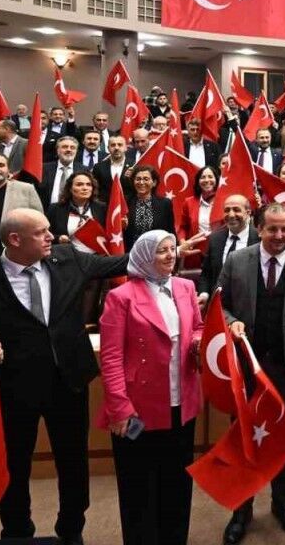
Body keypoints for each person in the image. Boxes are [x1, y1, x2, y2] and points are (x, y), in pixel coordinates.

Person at [0, 209, 129, 544]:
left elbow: (122, 263)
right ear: (15, 239)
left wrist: (166, 247)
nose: (51, 236)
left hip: (68, 383)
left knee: (73, 463)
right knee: (14, 466)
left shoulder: (70, 259)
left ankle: (71, 529)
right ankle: (17, 531)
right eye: (41, 232)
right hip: (14, 389)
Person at [220, 203, 285, 542]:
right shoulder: (237, 260)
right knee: (243, 441)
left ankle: (283, 504)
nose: (279, 235)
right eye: (272, 229)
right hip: (245, 370)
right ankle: (241, 510)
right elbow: (220, 305)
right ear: (259, 228)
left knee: (283, 441)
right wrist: (230, 321)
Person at [97, 231, 203, 545]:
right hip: (137, 410)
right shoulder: (121, 297)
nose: (171, 255)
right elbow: (111, 357)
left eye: (173, 249)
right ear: (144, 257)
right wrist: (119, 407)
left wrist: (198, 343)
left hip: (181, 403)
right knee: (138, 488)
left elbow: (197, 328)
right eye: (162, 251)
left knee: (177, 483)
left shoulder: (185, 287)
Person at [197, 194, 254, 297]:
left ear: (248, 213)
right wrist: (204, 294)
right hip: (219, 302)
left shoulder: (260, 239)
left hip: (249, 302)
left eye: (236, 210)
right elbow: (206, 274)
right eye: (227, 210)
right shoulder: (215, 239)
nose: (231, 215)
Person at [46, 172, 106, 251]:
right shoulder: (55, 209)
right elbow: (46, 233)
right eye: (79, 184)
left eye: (88, 184)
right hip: (67, 255)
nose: (85, 188)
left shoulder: (102, 208)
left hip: (96, 256)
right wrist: (58, 238)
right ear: (70, 189)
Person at [177, 166, 220, 269]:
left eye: (210, 177)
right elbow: (183, 227)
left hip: (219, 251)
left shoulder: (224, 201)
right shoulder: (189, 202)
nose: (207, 180)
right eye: (203, 177)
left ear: (217, 180)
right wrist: (183, 241)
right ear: (198, 181)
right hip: (195, 253)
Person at [123, 166, 175, 250]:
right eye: (138, 179)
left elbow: (170, 231)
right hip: (130, 252)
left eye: (146, 179)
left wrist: (174, 251)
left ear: (154, 182)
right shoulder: (124, 202)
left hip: (157, 252)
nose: (141, 182)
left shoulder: (165, 204)